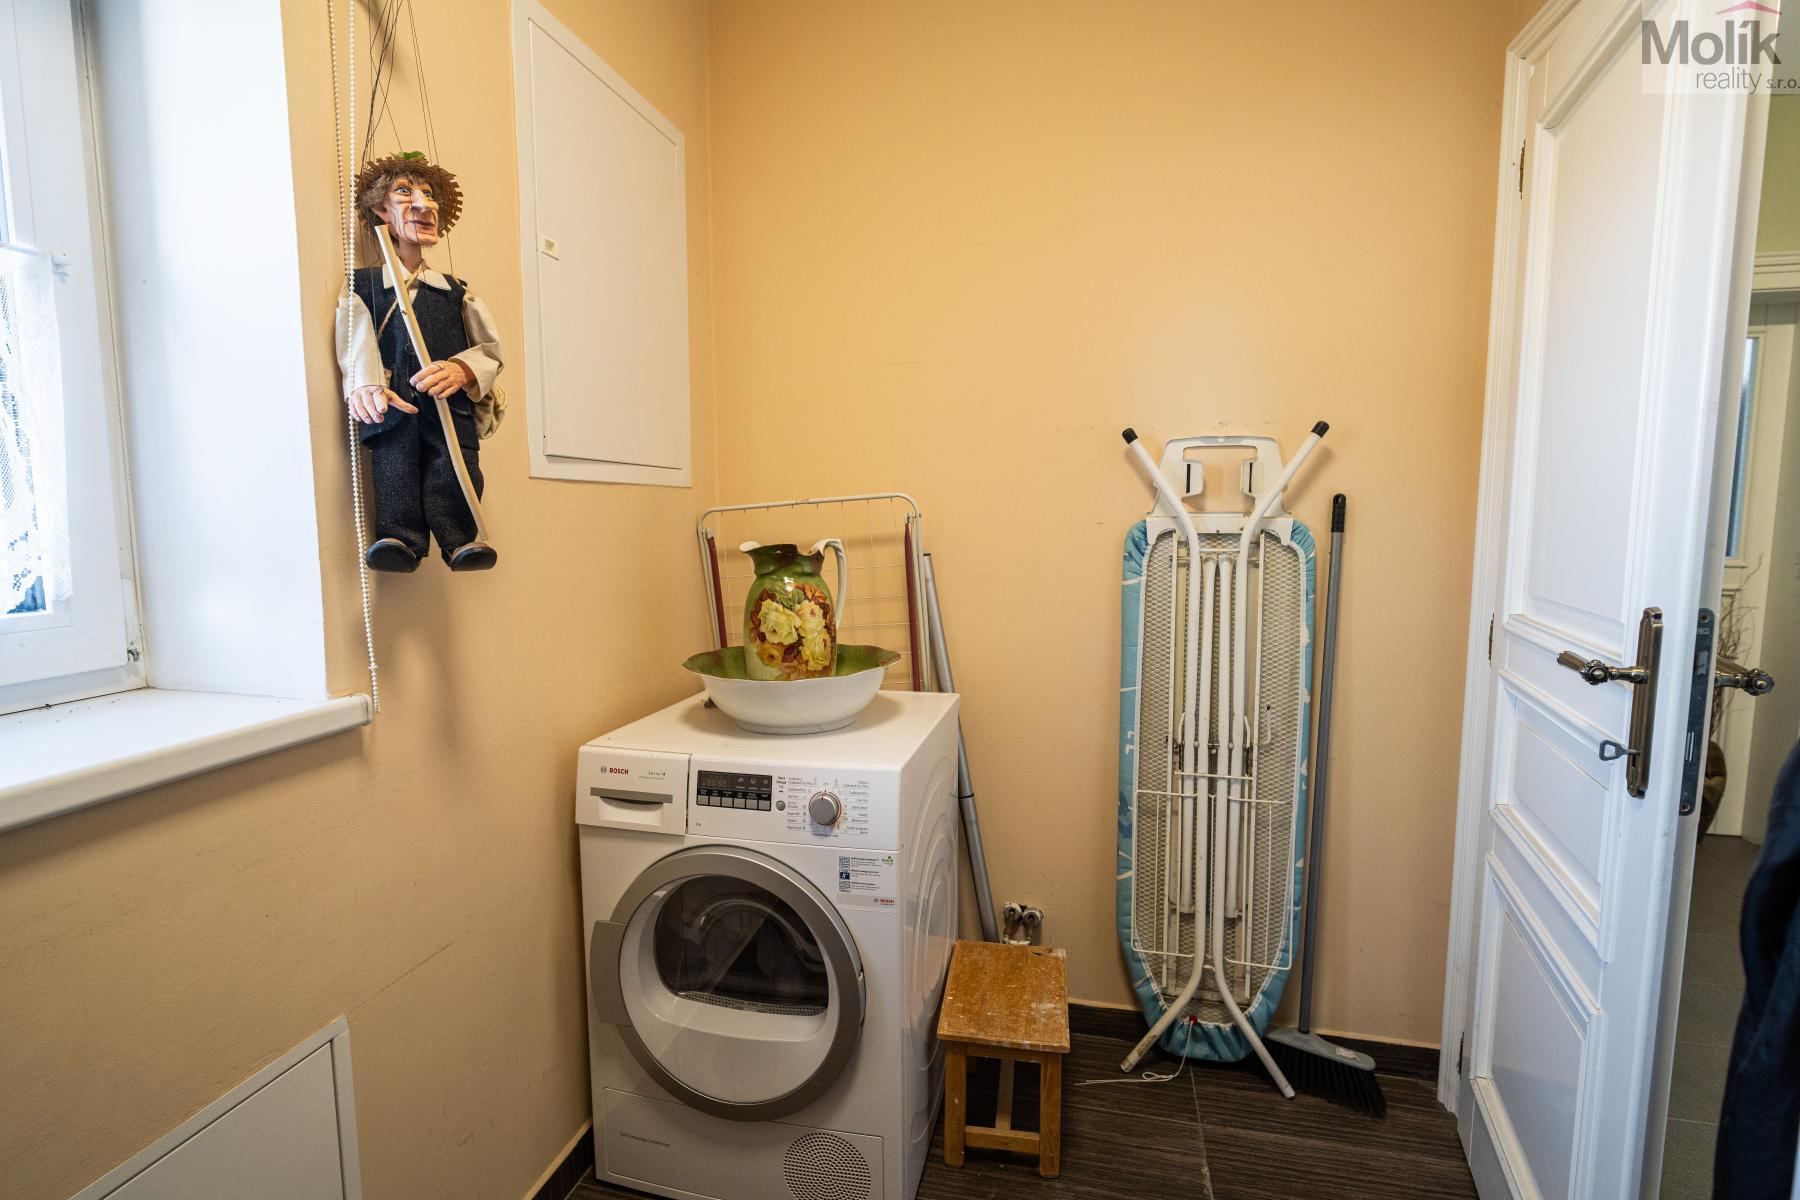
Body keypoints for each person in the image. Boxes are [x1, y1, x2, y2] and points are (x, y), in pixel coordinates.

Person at [336, 152, 502, 572]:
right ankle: (400, 538)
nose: (422, 204)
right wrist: (366, 384)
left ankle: (459, 537)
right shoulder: (364, 286)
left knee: (455, 463)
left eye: (428, 195)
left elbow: (488, 350)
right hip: (394, 400)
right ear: (381, 210)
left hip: (448, 402)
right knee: (394, 463)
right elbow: (356, 342)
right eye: (405, 193)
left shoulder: (455, 291)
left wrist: (462, 369)